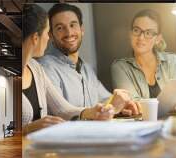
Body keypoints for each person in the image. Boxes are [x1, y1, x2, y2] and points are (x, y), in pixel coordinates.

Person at [22, 4, 114, 135]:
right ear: (36, 38)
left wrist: (91, 112)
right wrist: (27, 129)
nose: (47, 38)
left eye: (73, 25)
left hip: (38, 148)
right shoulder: (44, 66)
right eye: (48, 32)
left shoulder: (35, 68)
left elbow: (62, 110)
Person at [38, 3, 140, 116]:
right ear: (51, 35)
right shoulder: (45, 67)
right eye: (60, 28)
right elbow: (60, 113)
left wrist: (122, 105)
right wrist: (112, 107)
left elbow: (105, 100)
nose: (69, 33)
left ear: (82, 30)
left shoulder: (86, 68)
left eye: (73, 25)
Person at [111, 9, 176, 111]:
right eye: (136, 30)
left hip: (173, 122)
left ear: (158, 39)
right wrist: (174, 100)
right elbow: (133, 105)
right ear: (130, 34)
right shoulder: (120, 67)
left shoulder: (173, 61)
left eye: (148, 33)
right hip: (141, 125)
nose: (141, 37)